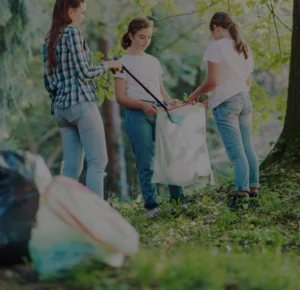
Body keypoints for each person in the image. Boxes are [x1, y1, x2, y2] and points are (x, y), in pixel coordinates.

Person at [42, 0, 122, 198]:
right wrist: (108, 65)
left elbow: (49, 83)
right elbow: (85, 72)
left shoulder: (49, 40)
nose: (83, 17)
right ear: (71, 12)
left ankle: (66, 216)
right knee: (97, 162)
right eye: (82, 12)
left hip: (61, 110)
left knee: (70, 169)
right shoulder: (72, 33)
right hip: (81, 104)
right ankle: (97, 218)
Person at [114, 17, 185, 219]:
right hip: (137, 115)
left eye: (149, 38)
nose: (146, 41)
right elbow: (121, 97)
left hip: (160, 113)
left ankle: (178, 203)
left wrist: (171, 103)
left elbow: (160, 90)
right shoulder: (121, 64)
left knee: (171, 157)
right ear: (131, 36)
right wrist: (143, 105)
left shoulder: (153, 61)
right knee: (146, 163)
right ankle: (152, 206)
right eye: (141, 37)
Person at [188, 12, 259, 207]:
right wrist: (212, 99)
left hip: (226, 103)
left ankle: (241, 195)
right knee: (247, 148)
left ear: (216, 28)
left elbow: (212, 82)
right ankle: (254, 190)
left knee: (236, 152)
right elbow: (247, 81)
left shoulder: (216, 47)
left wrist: (196, 94)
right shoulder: (244, 48)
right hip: (244, 99)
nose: (212, 35)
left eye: (212, 32)